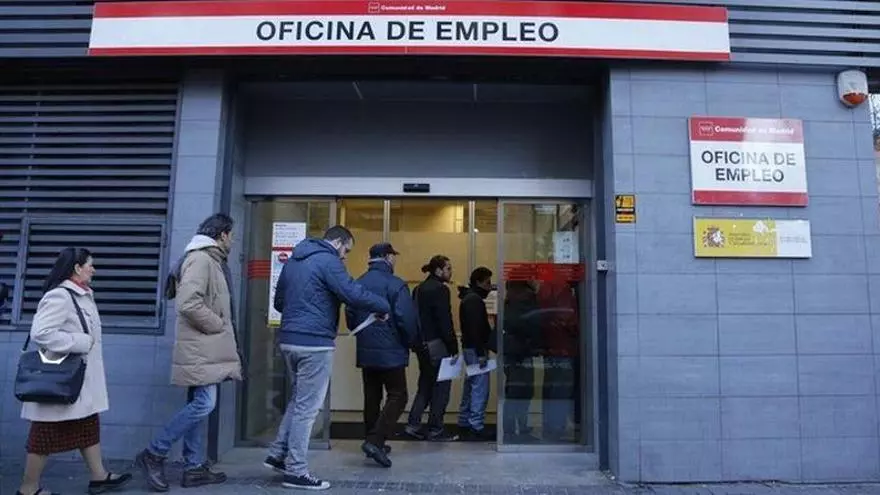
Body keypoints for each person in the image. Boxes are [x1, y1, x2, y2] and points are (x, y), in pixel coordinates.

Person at [265, 225, 390, 490]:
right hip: (314, 344)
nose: (345, 256)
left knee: (298, 400)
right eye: (346, 250)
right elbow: (351, 293)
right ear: (337, 242)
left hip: (288, 340)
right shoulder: (329, 261)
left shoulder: (294, 260)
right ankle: (296, 470)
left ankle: (278, 453)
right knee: (308, 409)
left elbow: (279, 303)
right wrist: (382, 305)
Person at [137, 213, 242, 491]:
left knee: (198, 402)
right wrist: (218, 324)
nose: (233, 240)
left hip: (204, 348)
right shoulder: (201, 259)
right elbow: (188, 303)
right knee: (205, 404)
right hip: (201, 347)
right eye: (231, 235)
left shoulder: (210, 259)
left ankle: (193, 467)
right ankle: (154, 452)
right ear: (222, 235)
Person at [17, 247, 132, 495]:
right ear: (77, 268)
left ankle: (99, 476)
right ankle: (28, 489)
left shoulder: (82, 295)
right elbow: (41, 333)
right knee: (44, 435)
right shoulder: (60, 296)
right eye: (90, 264)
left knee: (88, 426)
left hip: (78, 380)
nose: (94, 269)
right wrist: (79, 342)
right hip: (60, 380)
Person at [346, 243, 419, 468]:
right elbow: (406, 318)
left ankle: (371, 438)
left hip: (366, 349)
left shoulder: (358, 282)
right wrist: (412, 342)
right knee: (398, 395)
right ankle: (375, 441)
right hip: (391, 349)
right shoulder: (396, 284)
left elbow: (350, 316)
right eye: (393, 256)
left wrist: (364, 335)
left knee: (372, 396)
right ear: (387, 257)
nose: (394, 260)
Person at [405, 255, 459, 442]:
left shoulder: (418, 289)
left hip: (422, 345)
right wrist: (453, 346)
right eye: (448, 268)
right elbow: (444, 320)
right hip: (438, 345)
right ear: (438, 270)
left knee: (425, 385)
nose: (451, 272)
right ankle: (436, 428)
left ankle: (413, 424)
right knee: (441, 388)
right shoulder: (440, 290)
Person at [457, 267, 494, 441]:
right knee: (480, 387)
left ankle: (465, 421)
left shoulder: (469, 298)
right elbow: (476, 329)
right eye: (487, 282)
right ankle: (476, 425)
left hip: (470, 348)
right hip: (476, 349)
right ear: (478, 282)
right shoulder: (474, 300)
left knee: (471, 384)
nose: (489, 286)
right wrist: (481, 353)